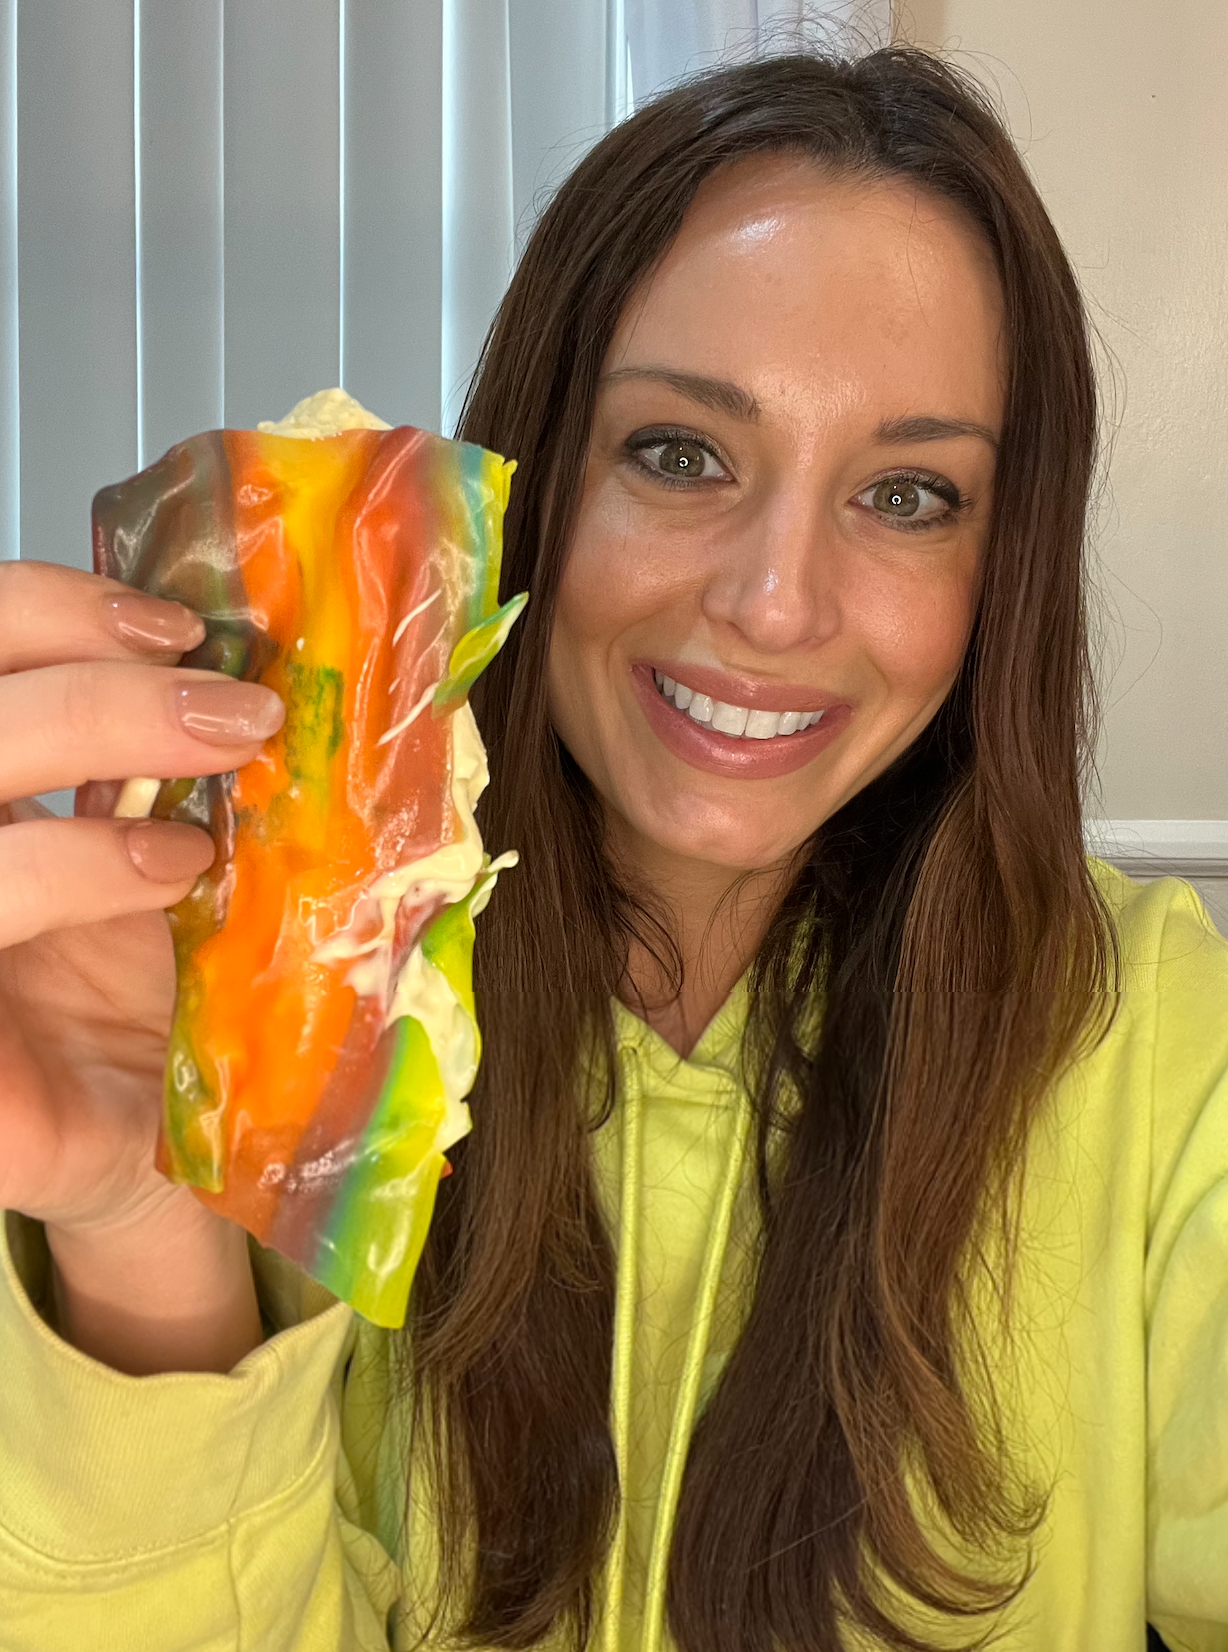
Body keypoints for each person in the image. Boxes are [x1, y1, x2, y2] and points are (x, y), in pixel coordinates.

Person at [0, 46, 1223, 1652]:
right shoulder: (258, 1006)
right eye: (680, 454)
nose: (777, 603)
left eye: (911, 493)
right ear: (525, 478)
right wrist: (135, 1225)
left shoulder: (1159, 1042)